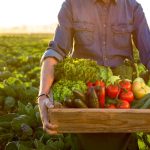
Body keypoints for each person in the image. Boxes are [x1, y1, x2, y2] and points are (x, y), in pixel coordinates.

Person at [38, 0, 150, 149]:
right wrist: (43, 96)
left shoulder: (133, 7)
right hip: (84, 94)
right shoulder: (72, 5)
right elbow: (56, 51)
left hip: (123, 94)